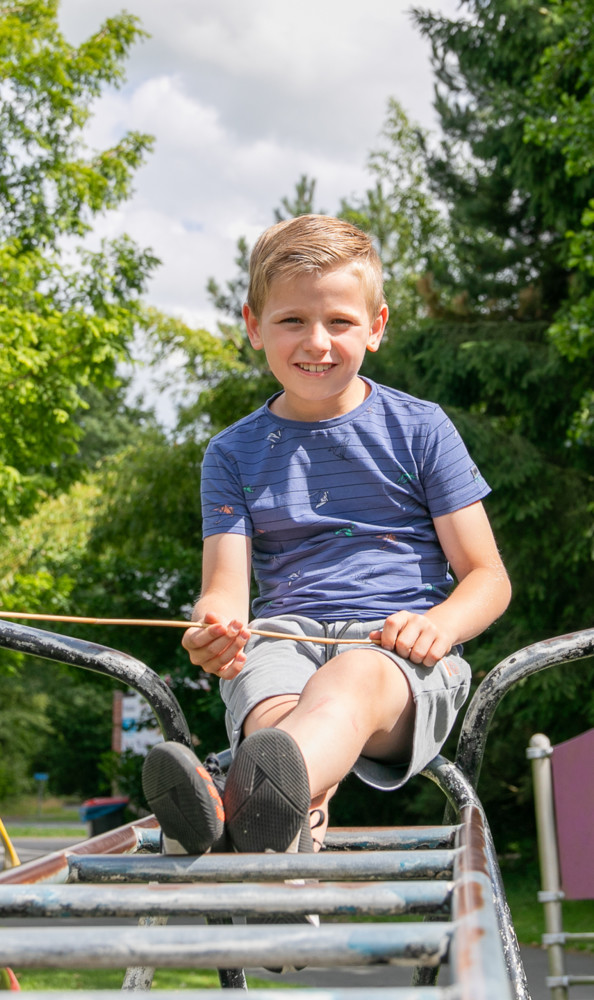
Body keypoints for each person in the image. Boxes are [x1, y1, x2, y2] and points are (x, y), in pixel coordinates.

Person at [142, 214, 511, 859]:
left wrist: (440, 625)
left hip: (393, 655)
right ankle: (280, 843)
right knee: (273, 715)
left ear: (376, 327)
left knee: (346, 684)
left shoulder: (421, 429)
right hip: (284, 637)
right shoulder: (231, 453)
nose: (317, 341)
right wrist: (214, 627)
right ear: (254, 327)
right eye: (292, 320)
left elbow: (488, 577)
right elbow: (223, 590)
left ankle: (227, 802)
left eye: (339, 321)